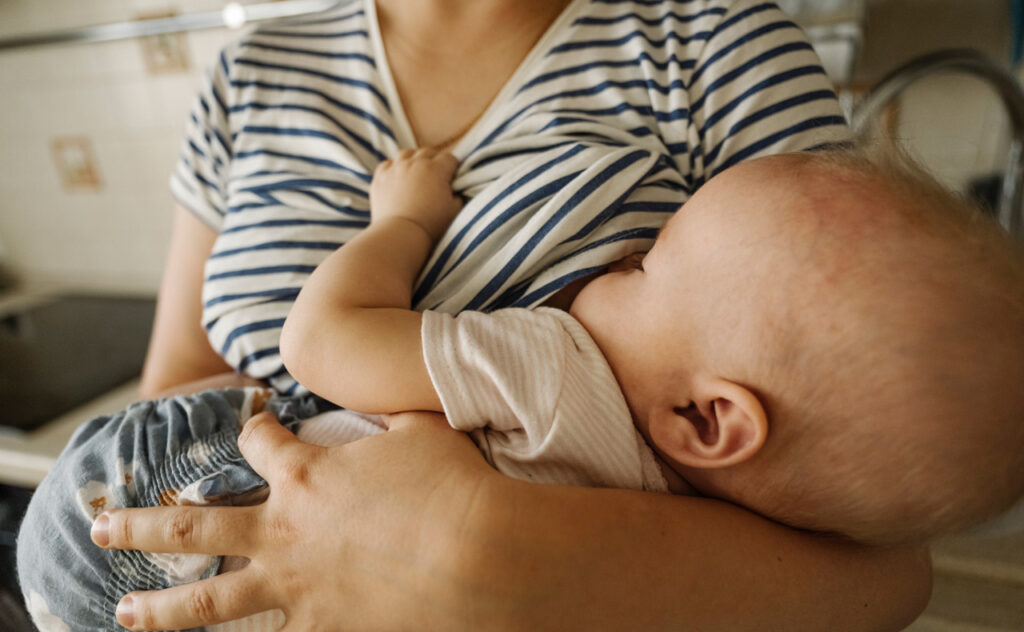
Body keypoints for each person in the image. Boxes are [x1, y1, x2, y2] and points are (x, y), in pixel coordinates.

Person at [16, 0, 937, 630]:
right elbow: (176, 391)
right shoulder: (250, 71)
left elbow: (883, 568)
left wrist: (491, 554)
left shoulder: (719, 46)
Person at [282, 145, 1024, 548]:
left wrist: (403, 222)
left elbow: (320, 342)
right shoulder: (692, 546)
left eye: (646, 262)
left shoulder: (558, 375)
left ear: (703, 418)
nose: (616, 257)